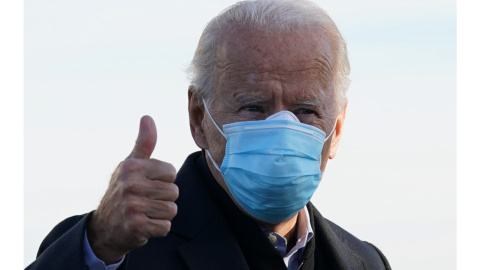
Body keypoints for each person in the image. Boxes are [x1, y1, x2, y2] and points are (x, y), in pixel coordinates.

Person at [26, 0, 391, 269]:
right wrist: (101, 240)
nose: (282, 129)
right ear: (199, 117)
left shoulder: (365, 261)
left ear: (337, 129)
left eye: (306, 111)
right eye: (253, 107)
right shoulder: (114, 250)